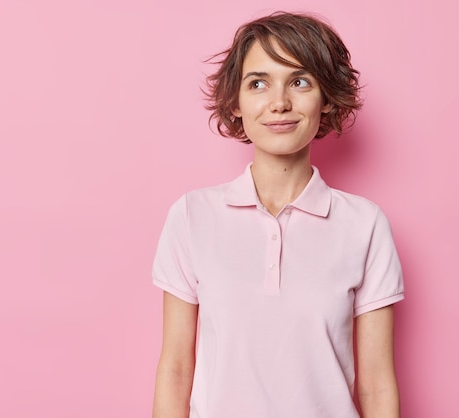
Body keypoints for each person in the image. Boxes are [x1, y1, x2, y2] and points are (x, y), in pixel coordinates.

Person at [151, 11, 404, 418]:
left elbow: (377, 385)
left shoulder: (365, 225)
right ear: (235, 103)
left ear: (326, 99)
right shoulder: (191, 216)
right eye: (258, 83)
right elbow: (176, 369)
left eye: (300, 82)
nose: (280, 102)